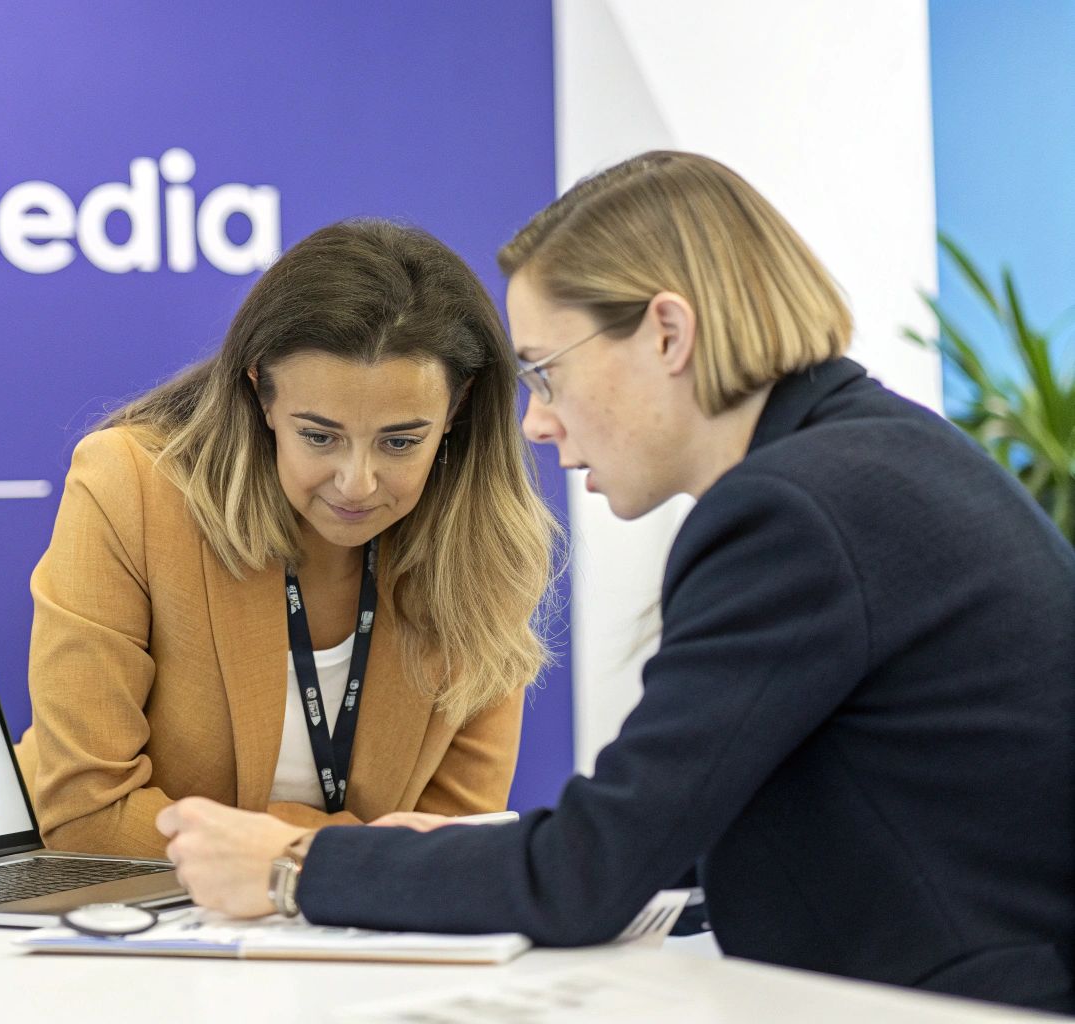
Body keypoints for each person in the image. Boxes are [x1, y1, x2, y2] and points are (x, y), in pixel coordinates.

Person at [157, 152, 1075, 1013]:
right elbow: (707, 826)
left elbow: (589, 875)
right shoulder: (877, 456)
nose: (537, 425)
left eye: (547, 374)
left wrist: (295, 868)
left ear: (666, 333)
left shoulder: (793, 513)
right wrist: (470, 855)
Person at [17, 219, 558, 858]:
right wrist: (327, 855)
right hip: (148, 934)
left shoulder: (484, 544)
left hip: (362, 945)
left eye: (401, 442)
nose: (357, 483)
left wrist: (273, 844)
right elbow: (85, 814)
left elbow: (452, 850)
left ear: (458, 409)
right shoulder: (130, 485)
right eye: (320, 436)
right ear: (261, 392)